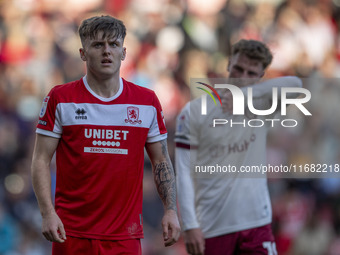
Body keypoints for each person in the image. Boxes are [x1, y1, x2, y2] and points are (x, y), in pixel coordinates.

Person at [31, 15, 180, 255]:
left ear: (124, 52)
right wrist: (47, 214)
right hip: (71, 233)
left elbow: (161, 160)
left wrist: (170, 210)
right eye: (98, 45)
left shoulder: (146, 101)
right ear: (83, 53)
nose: (107, 52)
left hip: (125, 235)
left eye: (113, 44)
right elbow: (40, 160)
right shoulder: (61, 98)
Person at [175, 39, 303, 255]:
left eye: (251, 73)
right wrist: (189, 224)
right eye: (238, 68)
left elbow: (296, 85)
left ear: (261, 76)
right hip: (213, 224)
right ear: (228, 65)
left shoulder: (263, 105)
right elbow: (184, 171)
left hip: (256, 222)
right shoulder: (195, 111)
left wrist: (244, 96)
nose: (242, 77)